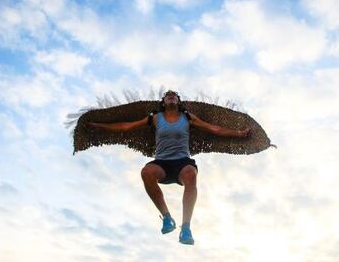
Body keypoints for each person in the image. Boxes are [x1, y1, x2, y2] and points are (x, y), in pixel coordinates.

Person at [87, 90, 250, 245]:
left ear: (178, 102)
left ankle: (186, 228)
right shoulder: (156, 118)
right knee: (146, 172)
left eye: (174, 95)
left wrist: (238, 133)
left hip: (182, 162)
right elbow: (126, 126)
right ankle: (167, 218)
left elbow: (213, 128)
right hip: (162, 163)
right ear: (163, 103)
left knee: (191, 175)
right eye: (167, 95)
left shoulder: (187, 117)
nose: (171, 96)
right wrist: (99, 126)